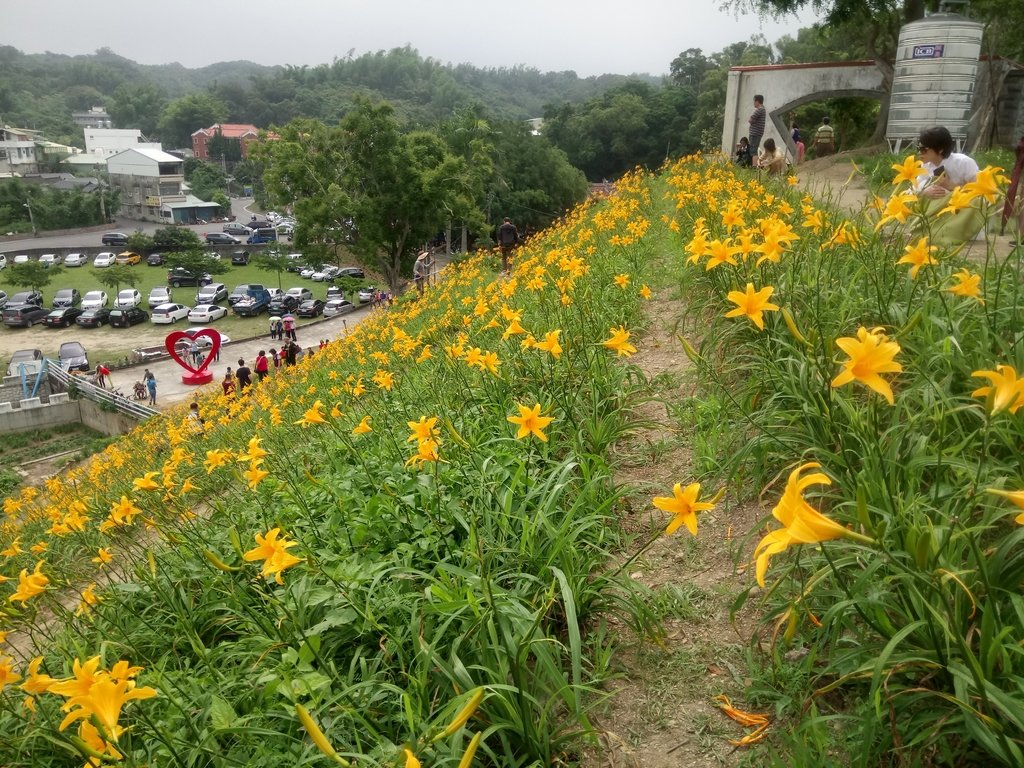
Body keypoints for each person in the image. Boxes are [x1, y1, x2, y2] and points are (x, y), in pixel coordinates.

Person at [913, 125, 985, 244]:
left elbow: (980, 192)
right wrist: (924, 191)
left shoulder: (963, 162)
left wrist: (952, 186)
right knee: (922, 188)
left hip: (962, 214)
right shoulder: (926, 165)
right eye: (918, 148)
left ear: (940, 149)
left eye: (923, 149)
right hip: (939, 213)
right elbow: (913, 189)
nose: (920, 153)